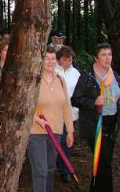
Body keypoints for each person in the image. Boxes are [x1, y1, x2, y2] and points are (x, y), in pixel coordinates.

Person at [71, 43, 120, 192]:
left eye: (109, 54)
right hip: (95, 125)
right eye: (103, 55)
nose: (107, 58)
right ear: (96, 58)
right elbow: (75, 99)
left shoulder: (116, 77)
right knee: (105, 164)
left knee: (103, 162)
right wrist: (93, 102)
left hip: (112, 125)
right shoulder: (87, 76)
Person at [28, 46, 74, 192]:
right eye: (46, 58)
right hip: (36, 131)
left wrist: (70, 131)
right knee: (40, 170)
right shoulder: (33, 79)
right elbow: (25, 105)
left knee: (50, 169)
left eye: (53, 58)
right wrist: (36, 119)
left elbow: (66, 105)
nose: (50, 61)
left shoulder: (60, 80)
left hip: (56, 131)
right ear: (41, 60)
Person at [55, 46, 81, 183]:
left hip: (70, 114)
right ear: (59, 59)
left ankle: (65, 170)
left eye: (70, 60)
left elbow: (79, 94)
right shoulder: (52, 71)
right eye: (64, 60)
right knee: (54, 141)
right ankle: (53, 166)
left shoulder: (76, 74)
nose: (67, 62)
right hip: (53, 114)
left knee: (67, 142)